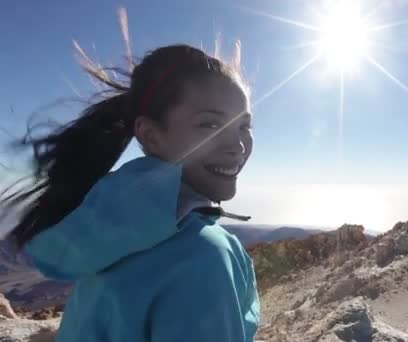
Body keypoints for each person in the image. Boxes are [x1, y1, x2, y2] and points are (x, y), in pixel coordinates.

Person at [0, 44, 260, 341]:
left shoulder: (105, 221)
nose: (238, 145)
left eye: (244, 126)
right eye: (211, 124)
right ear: (151, 135)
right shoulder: (204, 255)